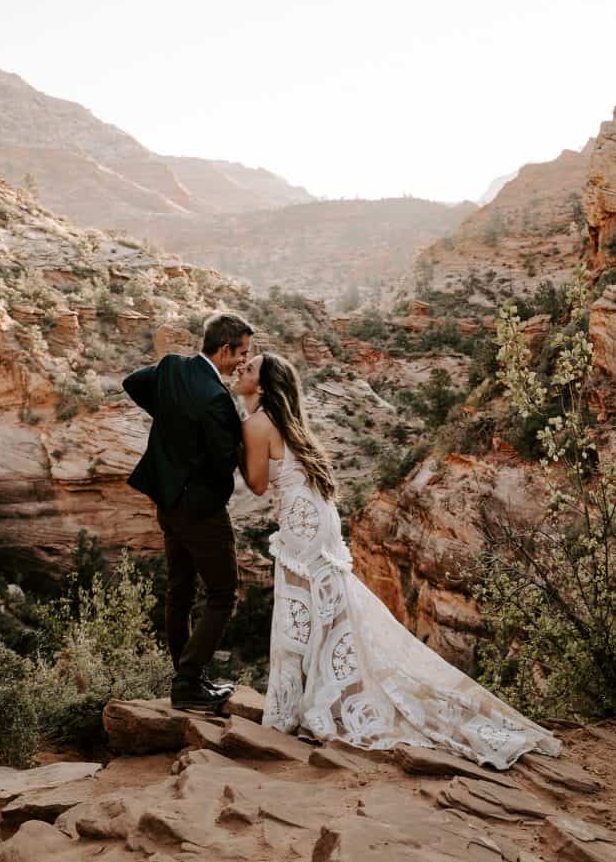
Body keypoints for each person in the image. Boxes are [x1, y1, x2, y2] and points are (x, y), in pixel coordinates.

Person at [233, 351, 562, 769]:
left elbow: (258, 485)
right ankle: (332, 697)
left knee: (299, 608)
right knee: (328, 609)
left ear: (262, 386)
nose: (241, 370)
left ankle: (299, 708)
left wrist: (235, 444)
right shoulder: (287, 421)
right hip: (317, 519)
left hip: (299, 524)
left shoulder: (257, 424)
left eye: (249, 369)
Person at [123, 312, 254, 711]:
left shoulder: (172, 368)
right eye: (242, 353)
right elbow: (221, 462)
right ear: (225, 348)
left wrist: (168, 416)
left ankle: (185, 678)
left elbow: (132, 383)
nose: (244, 361)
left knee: (179, 591)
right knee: (222, 594)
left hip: (167, 502)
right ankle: (188, 680)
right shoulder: (216, 398)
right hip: (200, 511)